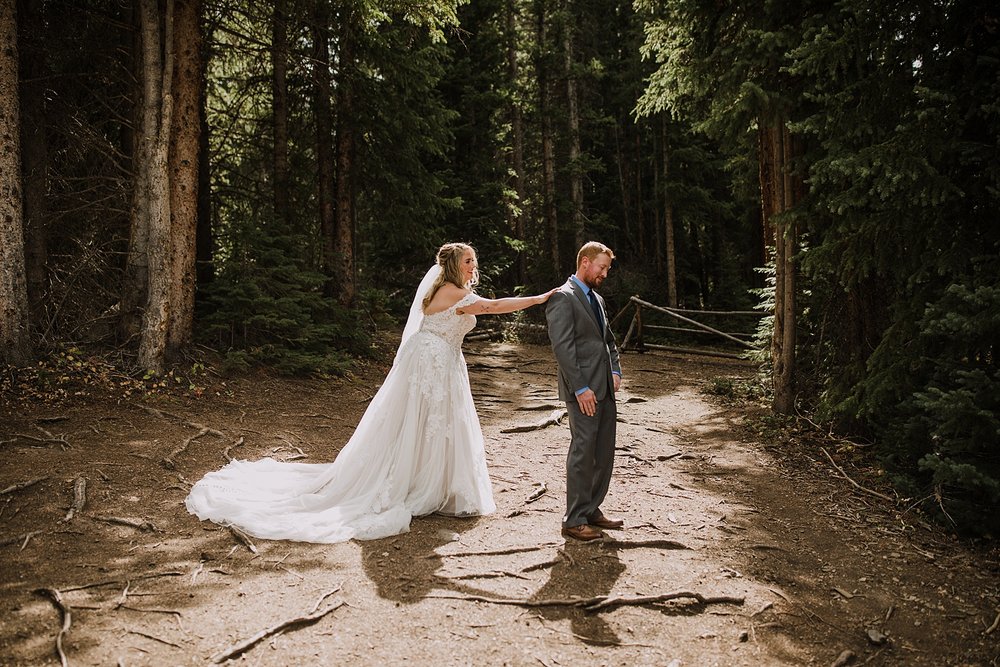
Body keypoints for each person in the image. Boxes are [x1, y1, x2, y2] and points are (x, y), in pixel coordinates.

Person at [186, 242, 555, 543]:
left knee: (431, 423)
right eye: (468, 260)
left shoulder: (448, 289)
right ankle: (417, 484)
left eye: (475, 260)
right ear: (453, 265)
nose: (474, 265)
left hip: (440, 360)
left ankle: (435, 483)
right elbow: (492, 307)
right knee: (423, 423)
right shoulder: (451, 291)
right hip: (431, 363)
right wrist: (538, 300)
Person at [545, 241, 623, 541]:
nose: (605, 273)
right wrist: (580, 387)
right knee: (583, 451)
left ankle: (592, 509)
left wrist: (615, 370)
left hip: (605, 388)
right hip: (583, 391)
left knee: (603, 452)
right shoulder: (563, 298)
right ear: (585, 262)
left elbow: (609, 340)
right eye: (601, 267)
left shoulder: (598, 300)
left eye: (607, 268)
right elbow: (563, 348)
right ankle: (574, 519)